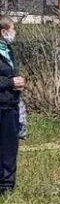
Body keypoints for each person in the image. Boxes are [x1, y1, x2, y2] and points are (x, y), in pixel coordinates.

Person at [0, 16, 23, 194]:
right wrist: (10, 82)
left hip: (11, 106)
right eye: (13, 29)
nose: (14, 33)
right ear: (4, 31)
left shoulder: (9, 50)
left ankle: (7, 187)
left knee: (9, 148)